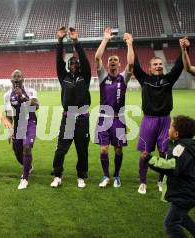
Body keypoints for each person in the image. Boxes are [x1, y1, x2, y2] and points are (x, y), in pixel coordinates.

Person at [127, 35, 185, 194]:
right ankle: (143, 182)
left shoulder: (168, 79)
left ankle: (161, 181)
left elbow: (179, 66)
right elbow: (135, 65)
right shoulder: (144, 79)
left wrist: (183, 48)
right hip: (149, 121)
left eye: (160, 64)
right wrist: (130, 44)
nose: (159, 66)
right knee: (145, 153)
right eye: (155, 64)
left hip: (165, 121)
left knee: (164, 153)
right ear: (150, 67)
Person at [50, 27, 92, 188]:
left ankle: (81, 176)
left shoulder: (85, 77)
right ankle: (57, 175)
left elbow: (84, 59)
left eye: (76, 62)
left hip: (82, 118)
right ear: (68, 66)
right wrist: (60, 40)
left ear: (79, 65)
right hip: (68, 118)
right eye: (71, 62)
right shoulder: (64, 77)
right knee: (61, 149)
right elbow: (58, 62)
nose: (73, 63)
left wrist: (76, 41)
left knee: (82, 150)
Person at [93, 28, 133, 188]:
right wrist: (105, 39)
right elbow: (97, 57)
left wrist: (129, 44)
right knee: (103, 150)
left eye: (115, 60)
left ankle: (116, 176)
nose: (113, 62)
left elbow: (131, 63)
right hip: (104, 119)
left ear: (119, 63)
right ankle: (105, 176)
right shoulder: (103, 75)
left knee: (118, 150)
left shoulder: (124, 77)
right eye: (110, 60)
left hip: (118, 120)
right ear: (108, 64)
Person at [146, 115, 195, 237]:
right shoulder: (190, 146)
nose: (168, 129)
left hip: (184, 194)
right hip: (189, 191)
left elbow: (170, 166)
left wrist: (150, 159)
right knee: (181, 217)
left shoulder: (180, 149)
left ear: (177, 134)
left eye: (171, 127)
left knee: (170, 223)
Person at [4, 70, 39, 190]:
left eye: (19, 76)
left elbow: (36, 106)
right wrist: (10, 130)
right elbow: (9, 114)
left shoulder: (31, 91)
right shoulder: (7, 95)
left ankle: (24, 178)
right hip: (18, 125)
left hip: (30, 122)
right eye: (14, 76)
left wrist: (23, 96)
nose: (17, 78)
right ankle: (28, 167)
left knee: (27, 147)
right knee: (17, 151)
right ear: (11, 80)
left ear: (23, 78)